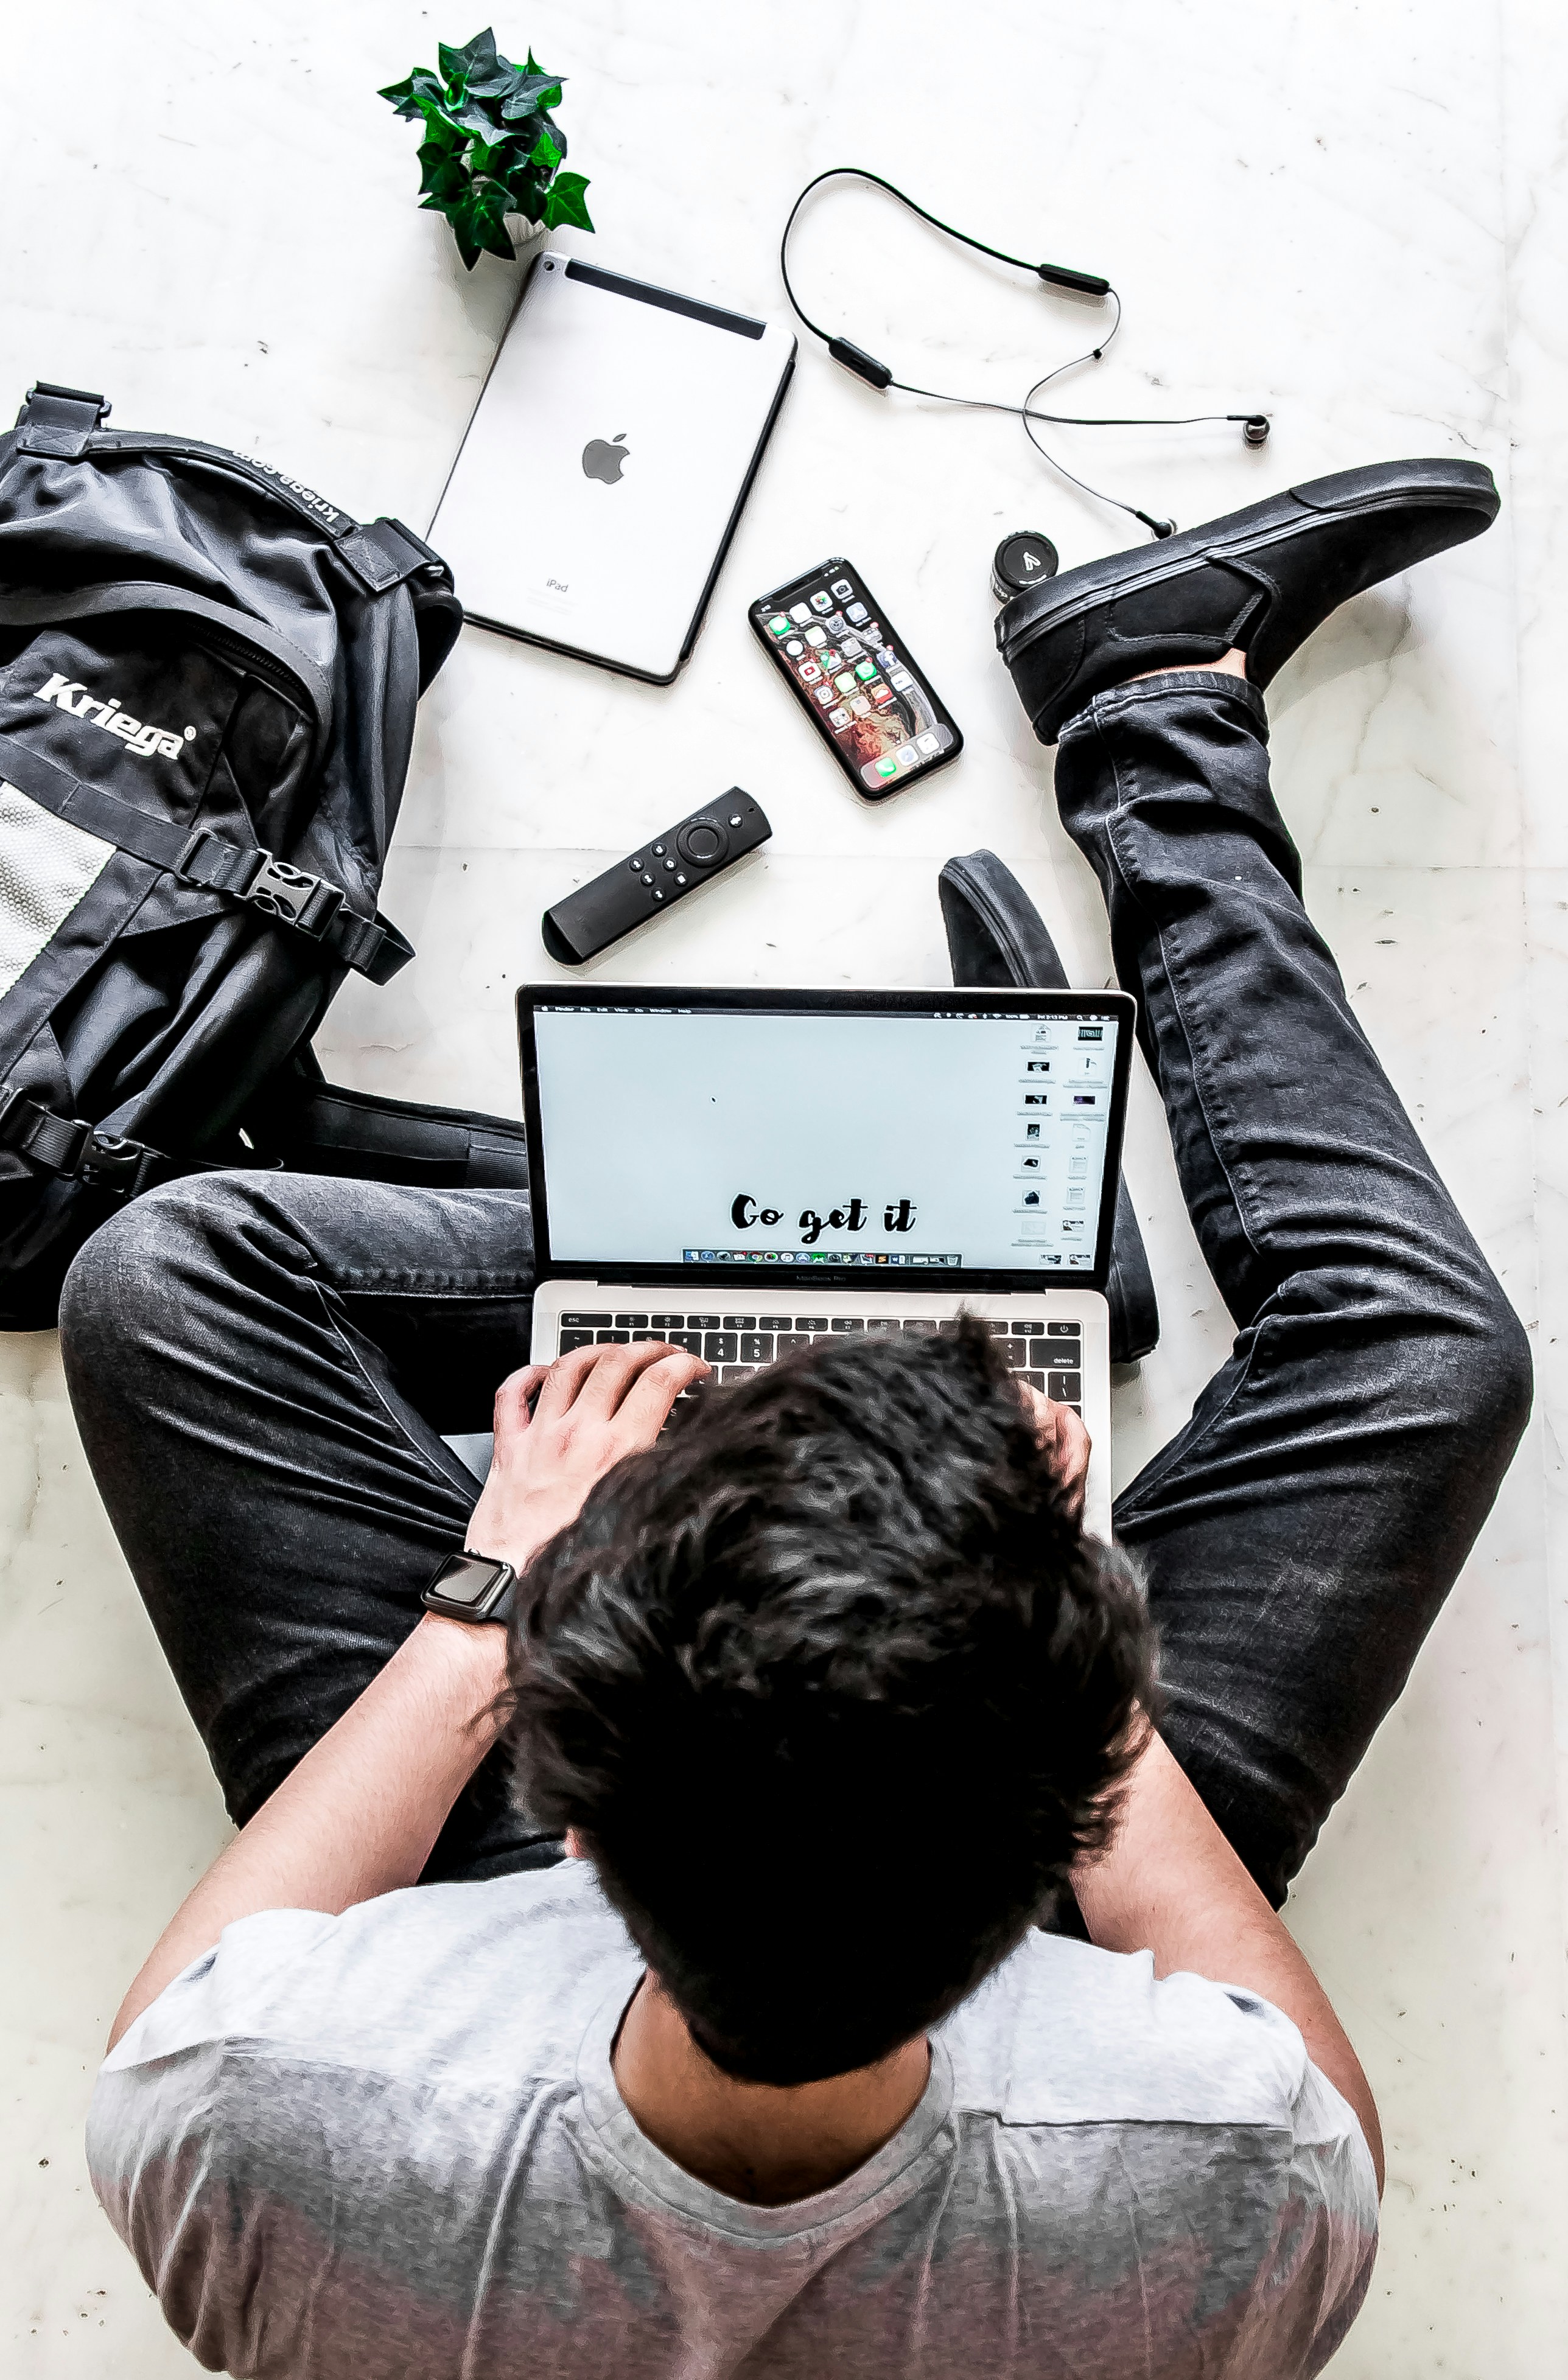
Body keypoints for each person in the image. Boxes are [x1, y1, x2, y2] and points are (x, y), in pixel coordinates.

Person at [66, 460, 1530, 2379]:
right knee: (1429, 1352)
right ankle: (1148, 711)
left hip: (803, 1831)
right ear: (1073, 1813)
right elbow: (1314, 2110)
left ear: (564, 1820)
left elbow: (172, 2022)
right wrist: (1014, 1606)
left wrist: (496, 1569)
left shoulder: (265, 2121)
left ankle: (927, 1247)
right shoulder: (1224, 2170)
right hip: (932, 1840)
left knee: (166, 1273)